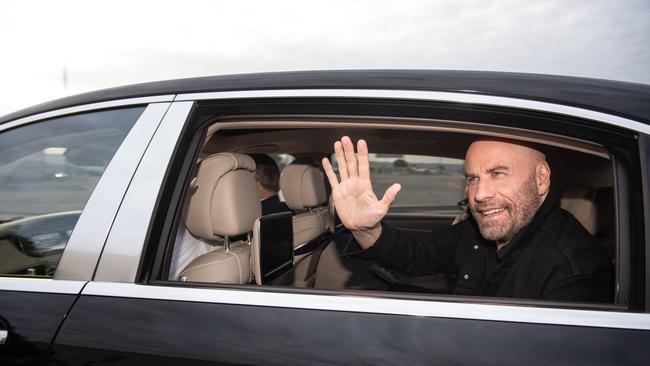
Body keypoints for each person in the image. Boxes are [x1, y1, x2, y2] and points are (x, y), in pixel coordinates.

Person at [322, 136, 612, 302]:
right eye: (473, 179)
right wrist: (366, 229)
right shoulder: (481, 230)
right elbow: (421, 254)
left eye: (498, 173)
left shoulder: (575, 271)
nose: (480, 194)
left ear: (541, 178)